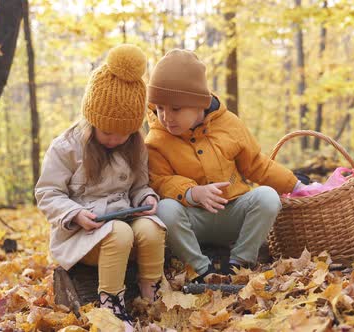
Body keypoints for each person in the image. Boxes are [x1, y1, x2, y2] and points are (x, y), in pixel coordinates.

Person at [144, 49, 305, 283]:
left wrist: (296, 184)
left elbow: (256, 164)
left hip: (232, 211)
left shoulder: (229, 124)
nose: (166, 117)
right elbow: (159, 180)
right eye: (159, 108)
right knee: (165, 209)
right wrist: (192, 192)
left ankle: (239, 263)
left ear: (199, 102)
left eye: (175, 109)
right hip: (191, 219)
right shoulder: (156, 139)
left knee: (268, 197)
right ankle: (200, 269)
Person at [35, 44, 165, 331]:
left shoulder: (135, 148)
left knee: (152, 227)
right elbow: (47, 193)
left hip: (125, 227)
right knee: (117, 232)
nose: (114, 139)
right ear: (92, 119)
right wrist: (75, 214)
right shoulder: (67, 147)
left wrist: (146, 198)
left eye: (123, 133)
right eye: (107, 131)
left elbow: (140, 185)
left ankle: (152, 294)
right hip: (83, 237)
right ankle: (112, 305)